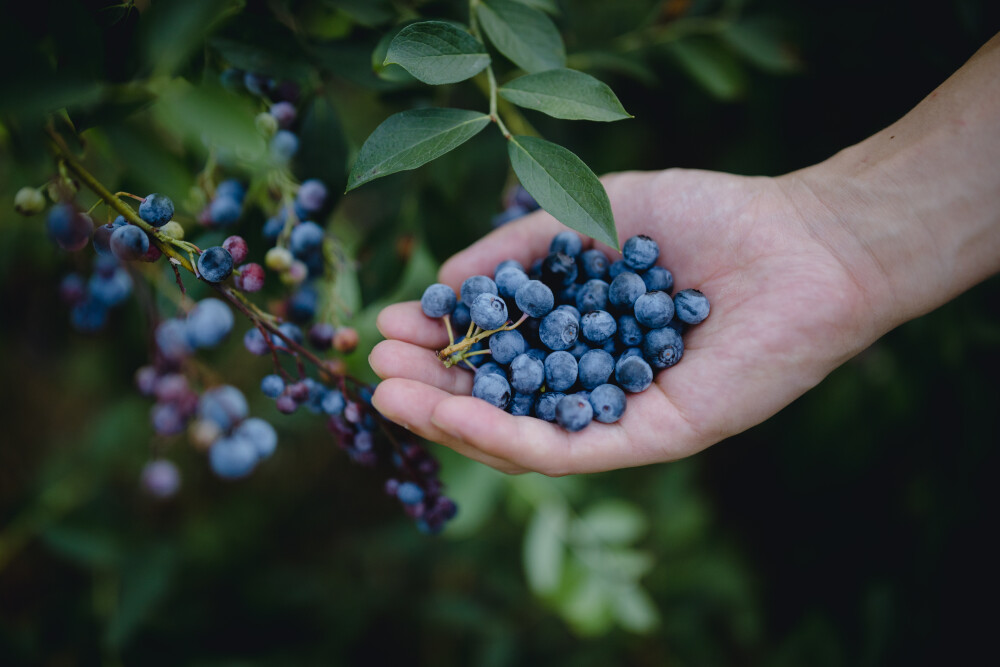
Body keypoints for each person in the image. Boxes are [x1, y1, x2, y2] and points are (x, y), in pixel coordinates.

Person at [368, 32, 1000, 476]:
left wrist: (832, 234)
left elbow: (584, 326)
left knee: (561, 331)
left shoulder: (568, 318)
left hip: (573, 330)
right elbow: (568, 334)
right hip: (561, 334)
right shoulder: (525, 325)